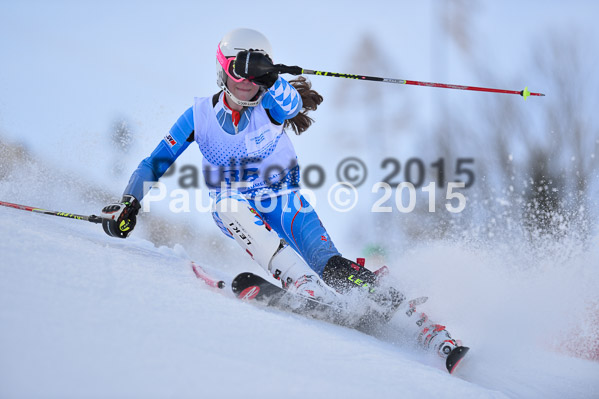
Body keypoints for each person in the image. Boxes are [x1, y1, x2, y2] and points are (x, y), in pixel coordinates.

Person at [100, 28, 461, 361]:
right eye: (237, 72)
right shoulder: (199, 116)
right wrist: (130, 203)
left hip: (285, 200)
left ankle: (420, 325)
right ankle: (299, 281)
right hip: (239, 207)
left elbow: (291, 105)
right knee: (225, 205)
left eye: (254, 75)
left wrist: (271, 77)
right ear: (222, 70)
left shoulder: (271, 103)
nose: (246, 83)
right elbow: (154, 162)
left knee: (331, 264)